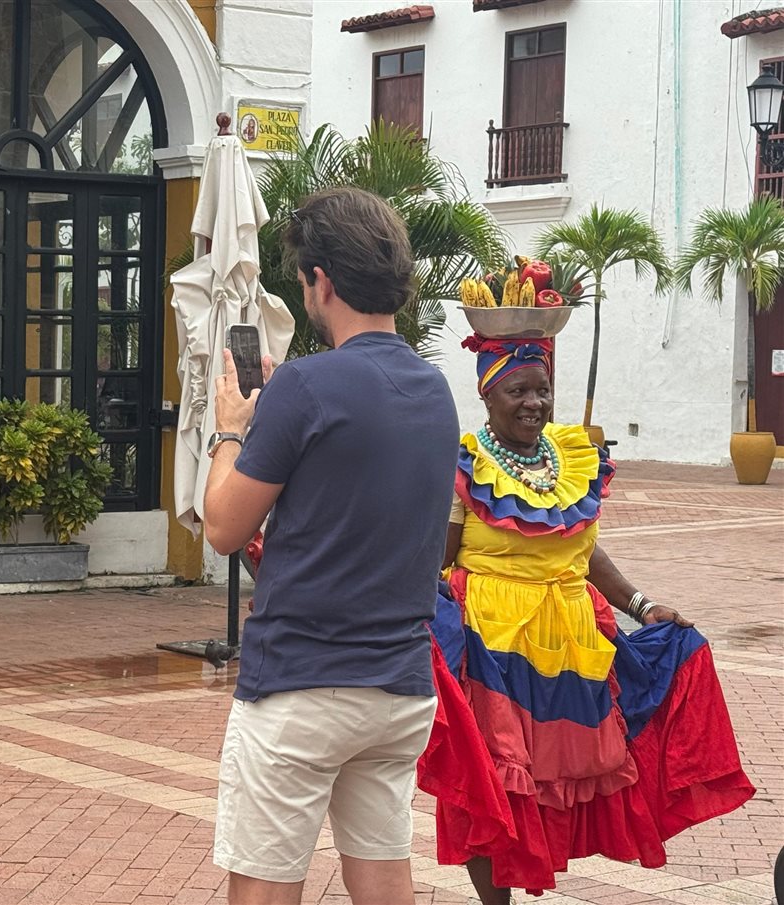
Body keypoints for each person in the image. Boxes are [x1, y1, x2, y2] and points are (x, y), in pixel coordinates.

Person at [417, 334, 756, 903]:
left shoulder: (571, 460)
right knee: (497, 781)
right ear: (487, 395)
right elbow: (434, 558)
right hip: (492, 649)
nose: (533, 403)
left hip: (573, 644)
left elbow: (586, 553)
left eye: (542, 391)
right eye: (517, 390)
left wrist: (643, 606)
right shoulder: (465, 467)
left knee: (558, 779)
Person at [202, 186, 460, 905]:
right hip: (400, 685)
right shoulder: (434, 389)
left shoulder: (304, 387)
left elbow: (223, 526)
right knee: (382, 873)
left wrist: (230, 428)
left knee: (264, 884)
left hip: (302, 681)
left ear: (322, 281)